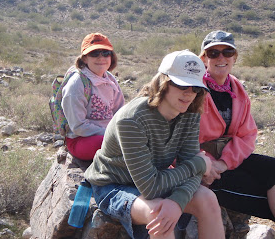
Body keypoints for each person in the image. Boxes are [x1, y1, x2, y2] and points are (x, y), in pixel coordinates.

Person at [84, 50, 225, 239]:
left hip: (154, 178)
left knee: (208, 199)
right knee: (160, 215)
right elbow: (151, 188)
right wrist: (200, 164)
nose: (189, 93)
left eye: (195, 88)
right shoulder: (132, 119)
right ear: (163, 82)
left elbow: (192, 170)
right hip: (114, 185)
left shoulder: (190, 113)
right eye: (181, 84)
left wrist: (177, 201)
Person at [198, 30, 275, 239]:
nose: (221, 58)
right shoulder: (194, 89)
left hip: (227, 160)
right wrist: (206, 163)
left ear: (234, 57)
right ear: (204, 58)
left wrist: (225, 162)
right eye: (213, 53)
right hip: (202, 165)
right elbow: (181, 135)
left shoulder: (237, 88)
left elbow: (247, 135)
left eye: (227, 52)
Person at [62, 32, 125, 161]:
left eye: (106, 53)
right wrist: (110, 134)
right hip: (81, 139)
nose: (101, 58)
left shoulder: (110, 80)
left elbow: (120, 112)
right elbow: (78, 126)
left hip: (108, 134)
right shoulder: (77, 84)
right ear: (84, 58)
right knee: (115, 146)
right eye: (94, 53)